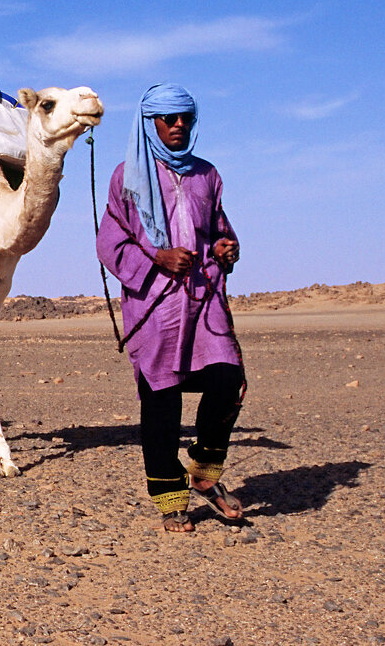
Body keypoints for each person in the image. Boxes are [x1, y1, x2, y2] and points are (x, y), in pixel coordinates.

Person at [96, 83, 246, 533]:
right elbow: (111, 241)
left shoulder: (208, 175)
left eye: (186, 118)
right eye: (169, 118)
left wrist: (226, 248)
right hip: (155, 305)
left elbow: (219, 229)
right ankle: (170, 500)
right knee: (161, 400)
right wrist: (156, 258)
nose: (179, 125)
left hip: (203, 299)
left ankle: (203, 472)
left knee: (228, 379)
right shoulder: (126, 177)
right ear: (150, 123)